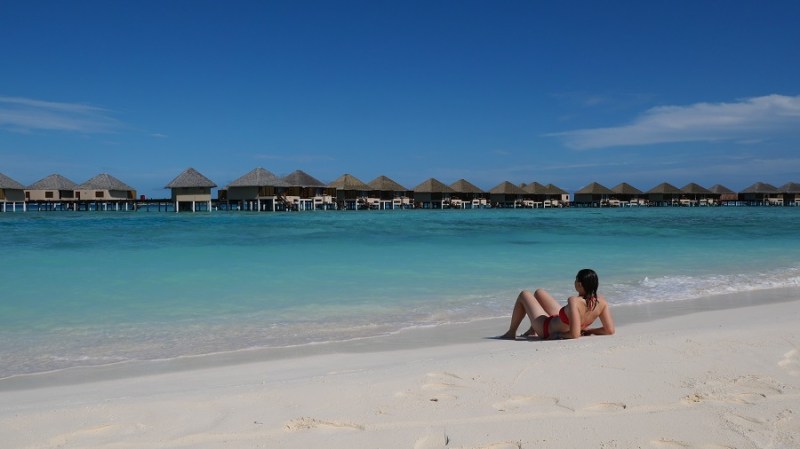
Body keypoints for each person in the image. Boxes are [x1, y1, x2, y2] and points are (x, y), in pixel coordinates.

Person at [499, 268, 615, 340]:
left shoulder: (574, 301)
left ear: (579, 284)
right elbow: (609, 330)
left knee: (524, 294)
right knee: (539, 292)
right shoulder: (602, 302)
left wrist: (558, 335)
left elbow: (574, 334)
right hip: (560, 321)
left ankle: (511, 332)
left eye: (575, 280)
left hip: (546, 329)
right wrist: (589, 331)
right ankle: (531, 330)